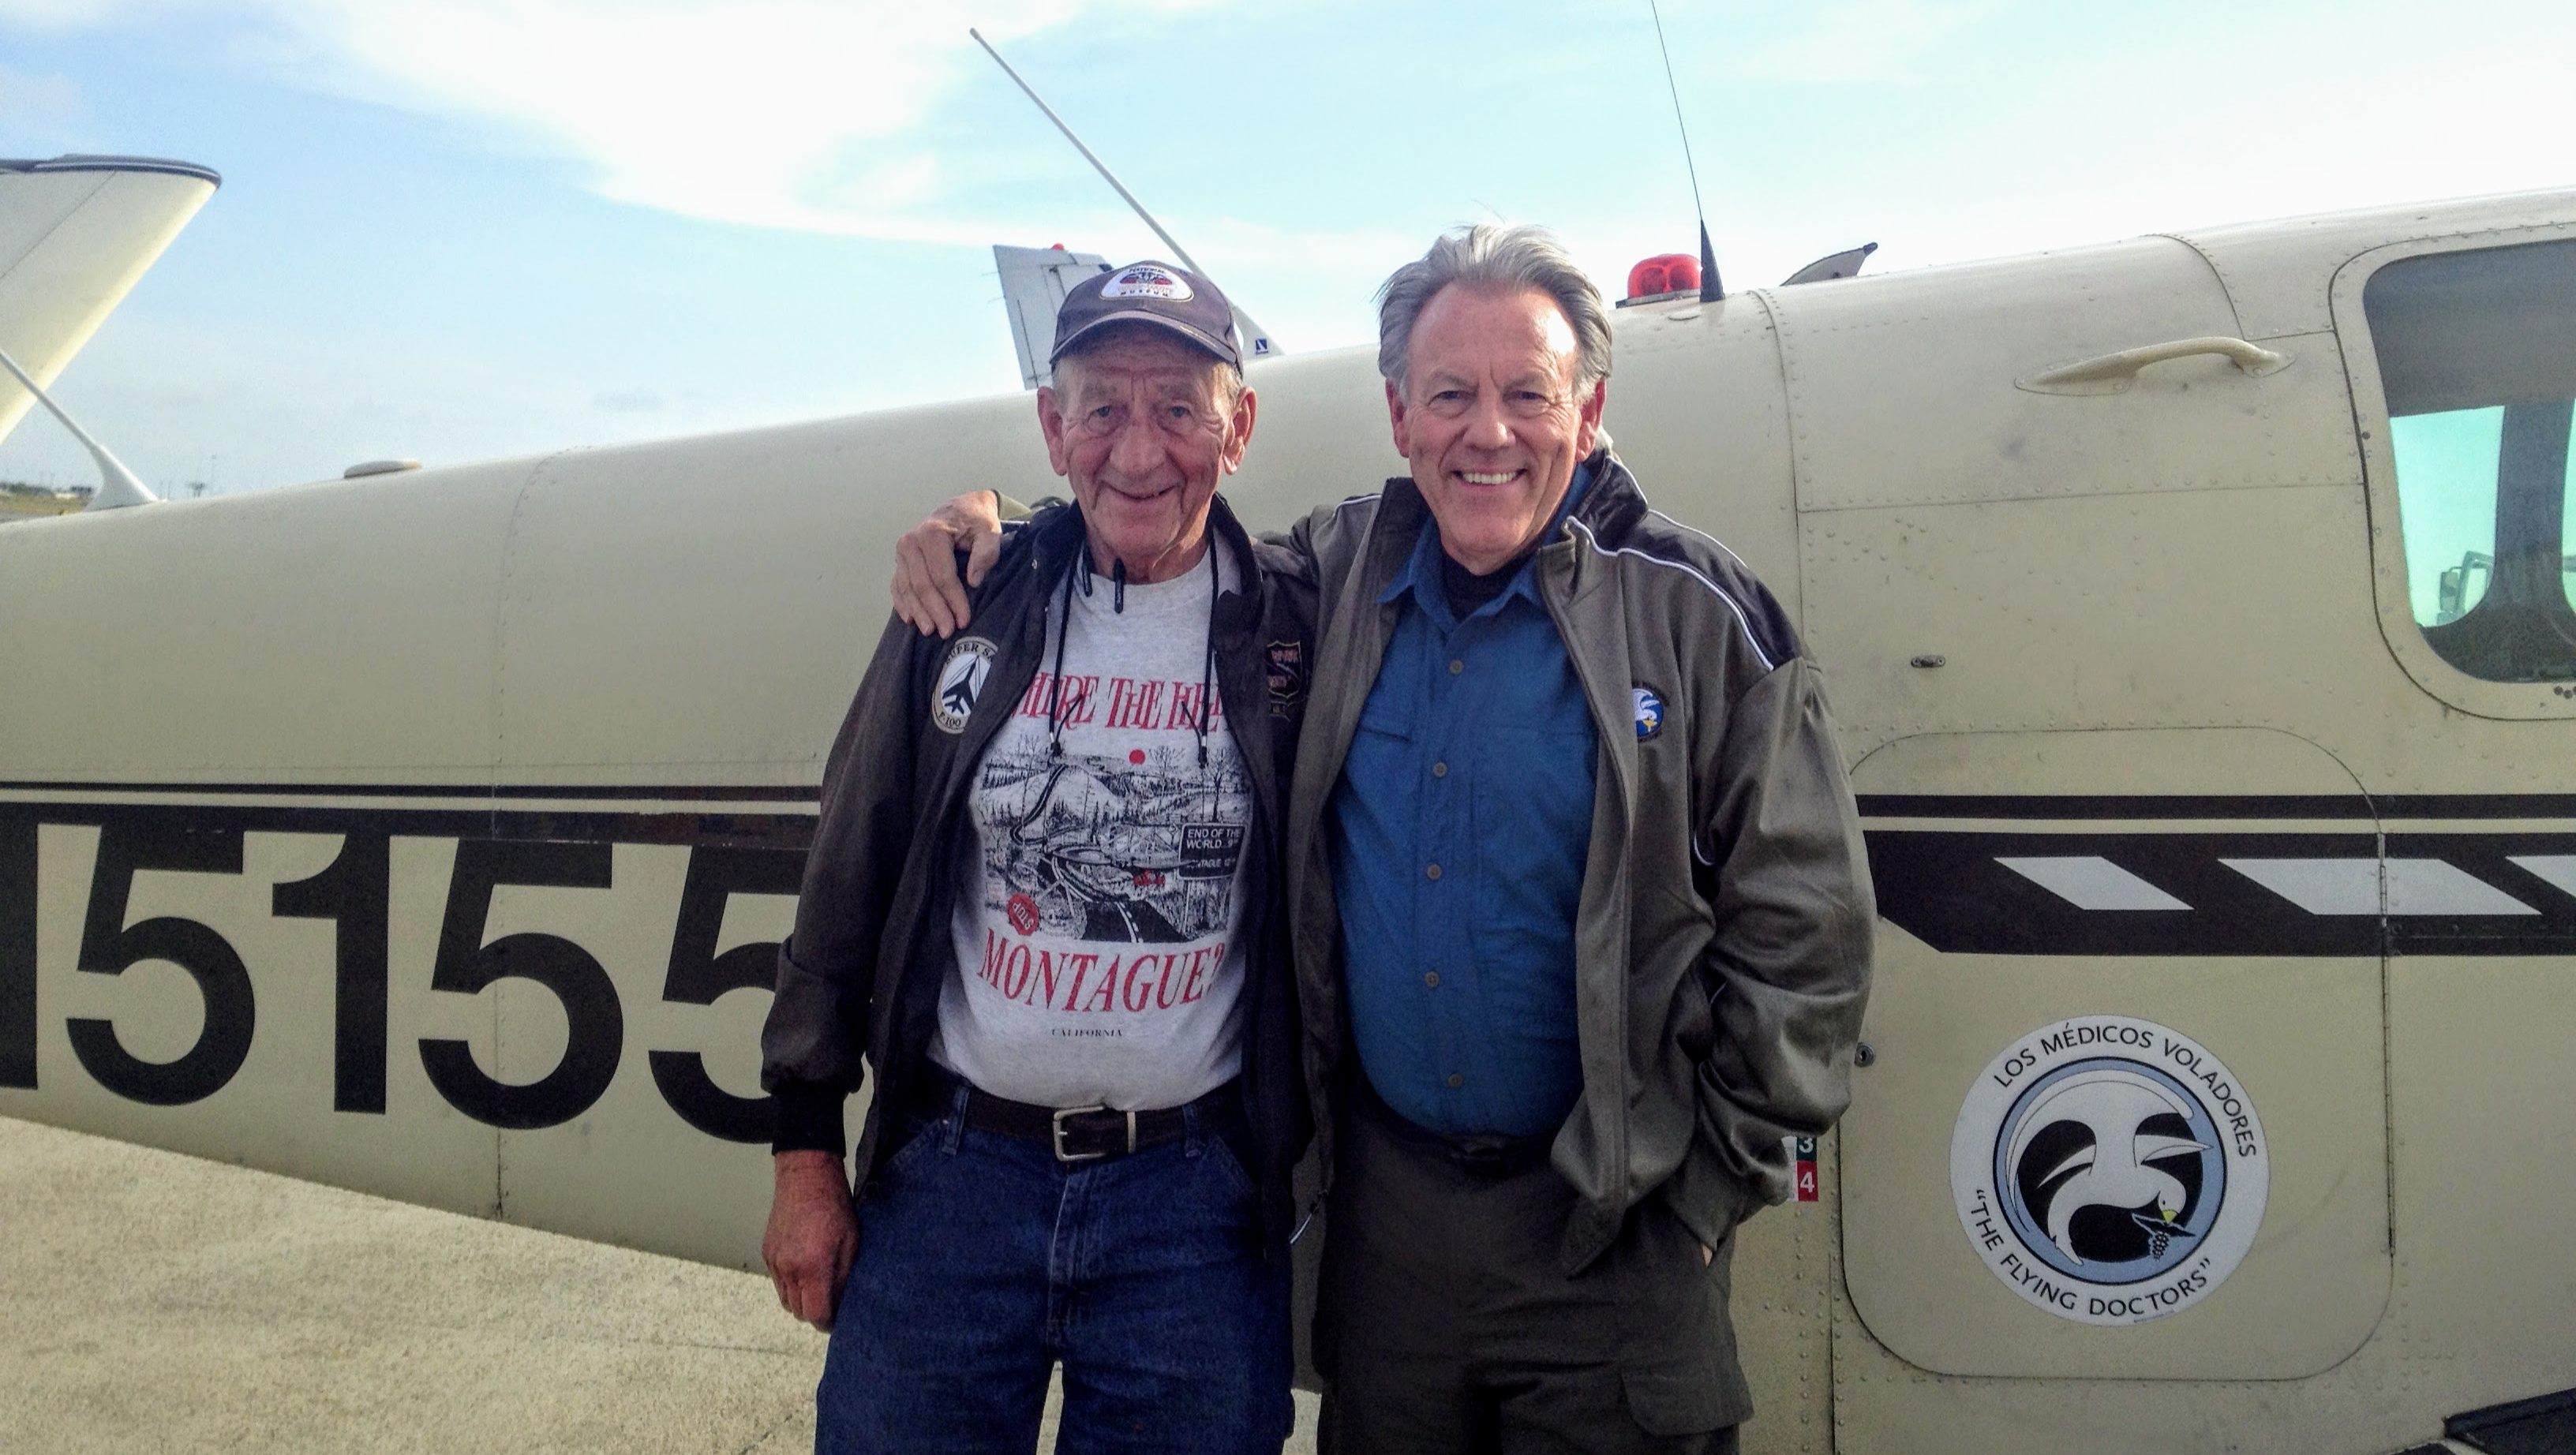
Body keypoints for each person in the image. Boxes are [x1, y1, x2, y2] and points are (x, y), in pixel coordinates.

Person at [893, 223, 1874, 1454]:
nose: (1488, 433)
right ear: (1400, 415)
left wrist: (1702, 1195)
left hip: (1616, 1228)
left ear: (1588, 412)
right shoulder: (1336, 574)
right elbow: (1155, 518)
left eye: (1529, 395)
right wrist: (999, 524)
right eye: (1450, 395)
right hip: (1394, 1229)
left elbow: (1808, 937)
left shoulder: (1701, 613)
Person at [761, 260, 1311, 1455]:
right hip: (955, 1178)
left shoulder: (1294, 620)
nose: (1139, 449)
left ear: (1238, 429)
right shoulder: (968, 598)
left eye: (1179, 408)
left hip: (1192, 1202)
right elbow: (848, 870)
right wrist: (805, 1154)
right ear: (1054, 429)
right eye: (1102, 407)